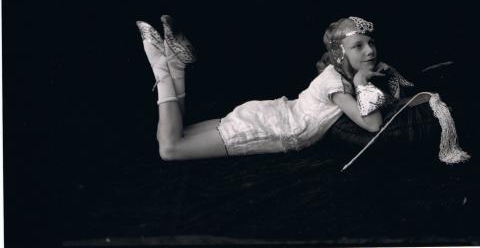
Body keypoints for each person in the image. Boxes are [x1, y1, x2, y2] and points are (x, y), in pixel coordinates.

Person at [137, 15, 430, 161]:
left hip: (268, 114)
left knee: (179, 132)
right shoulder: (337, 83)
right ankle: (164, 68)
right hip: (270, 129)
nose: (370, 51)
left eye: (371, 43)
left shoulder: (333, 72)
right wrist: (361, 81)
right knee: (171, 148)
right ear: (341, 54)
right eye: (359, 46)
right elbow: (373, 123)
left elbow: (391, 100)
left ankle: (175, 66)